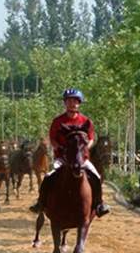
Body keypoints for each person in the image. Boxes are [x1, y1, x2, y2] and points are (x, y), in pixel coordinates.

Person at [29, 88, 110, 217]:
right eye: (69, 101)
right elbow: (53, 139)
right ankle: (41, 202)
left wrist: (84, 149)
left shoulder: (86, 121)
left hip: (82, 158)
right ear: (65, 103)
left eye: (75, 101)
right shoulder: (57, 121)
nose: (72, 104)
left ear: (79, 103)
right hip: (63, 158)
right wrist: (59, 148)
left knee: (96, 176)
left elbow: (91, 139)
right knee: (48, 177)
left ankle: (99, 204)